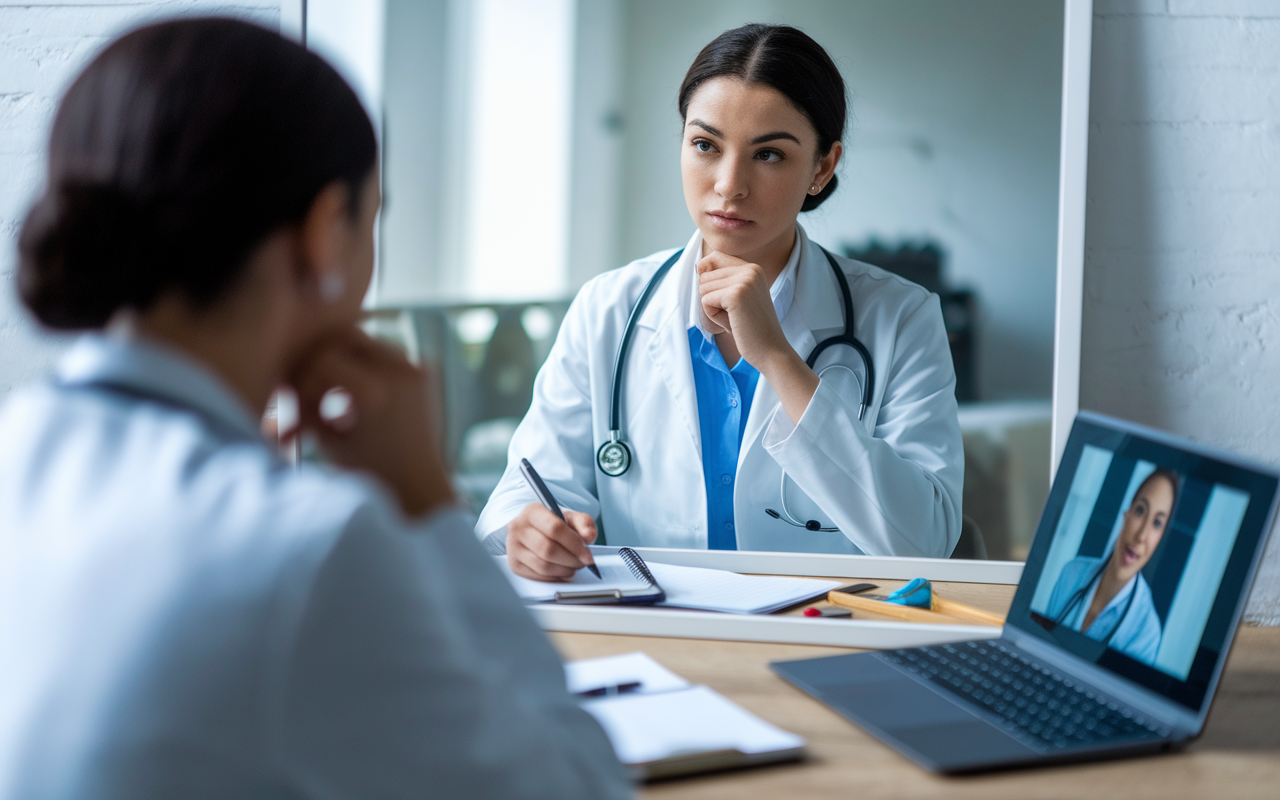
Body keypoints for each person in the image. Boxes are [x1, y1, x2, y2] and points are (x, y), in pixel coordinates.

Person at [0, 19, 629, 799]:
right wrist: (427, 501)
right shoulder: (313, 550)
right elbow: (581, 788)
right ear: (326, 234)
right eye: (373, 219)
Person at [478, 24, 964, 581]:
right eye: (705, 145)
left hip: (826, 638)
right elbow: (525, 491)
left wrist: (778, 359)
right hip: (662, 634)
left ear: (822, 168)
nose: (729, 185)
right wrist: (529, 532)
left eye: (770, 155)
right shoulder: (608, 309)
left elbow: (925, 541)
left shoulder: (902, 318)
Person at [1045, 469, 1179, 663]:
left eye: (1157, 523)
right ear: (1127, 514)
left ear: (1160, 540)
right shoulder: (1071, 573)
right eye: (1140, 510)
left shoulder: (1146, 633)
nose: (1141, 535)